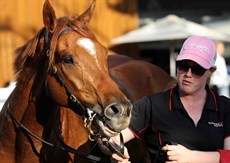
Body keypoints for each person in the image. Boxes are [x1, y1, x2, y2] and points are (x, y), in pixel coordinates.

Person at [100, 36, 230, 163]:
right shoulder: (152, 105)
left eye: (197, 69)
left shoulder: (225, 107)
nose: (188, 74)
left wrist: (191, 158)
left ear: (211, 71)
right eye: (183, 66)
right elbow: (109, 138)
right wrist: (116, 151)